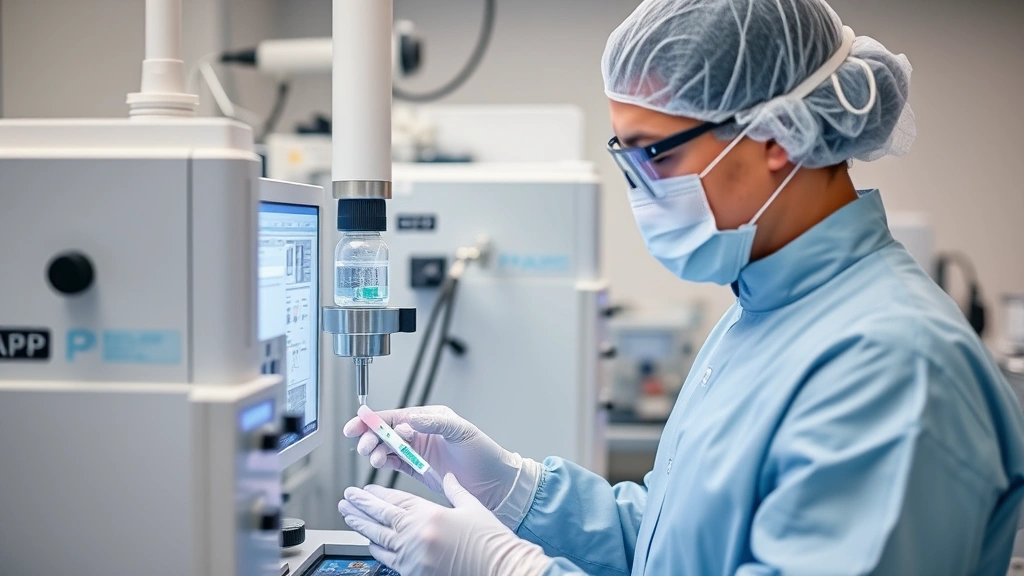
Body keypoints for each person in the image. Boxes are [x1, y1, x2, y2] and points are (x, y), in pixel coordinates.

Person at [338, 0, 1024, 574]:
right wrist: (516, 491)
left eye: (655, 153)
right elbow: (677, 546)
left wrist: (509, 568)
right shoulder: (760, 310)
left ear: (775, 133)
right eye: (625, 157)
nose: (639, 186)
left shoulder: (894, 367)